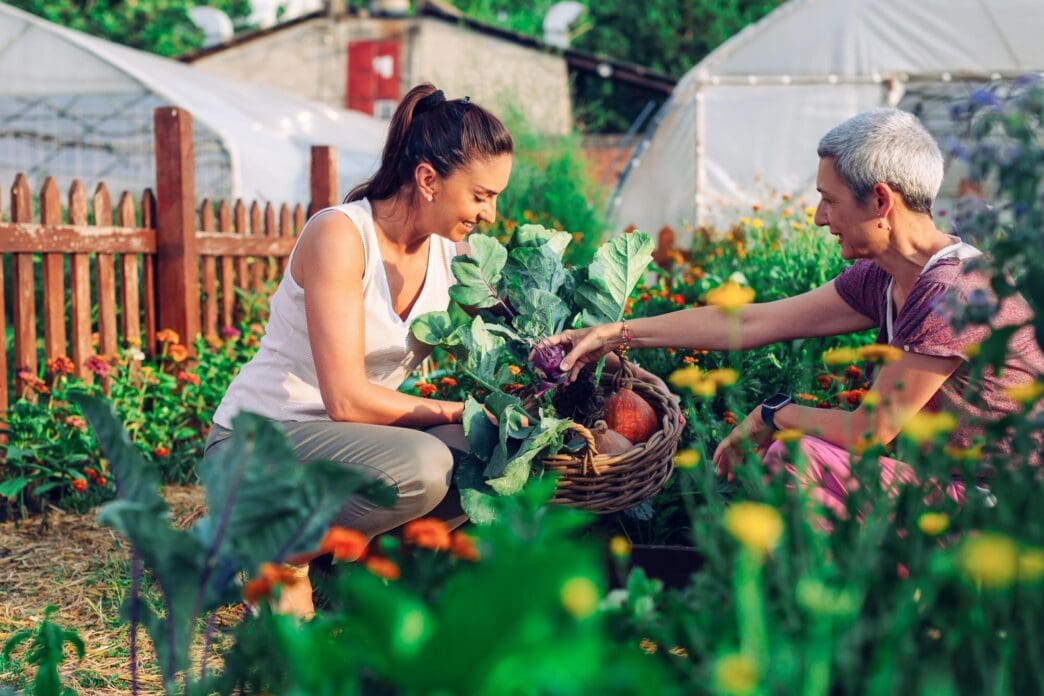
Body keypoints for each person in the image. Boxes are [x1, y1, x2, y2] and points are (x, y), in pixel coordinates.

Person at [542, 108, 1044, 520]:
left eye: (829, 200)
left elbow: (870, 431)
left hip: (1005, 517)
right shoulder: (885, 277)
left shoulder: (954, 290)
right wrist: (616, 333)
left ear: (881, 201)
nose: (820, 217)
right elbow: (754, 321)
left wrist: (771, 415)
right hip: (951, 497)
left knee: (794, 456)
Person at [204, 84, 513, 617]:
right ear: (428, 179)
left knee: (492, 453)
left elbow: (513, 334)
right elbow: (346, 400)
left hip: (344, 447)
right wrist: (458, 411)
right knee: (424, 464)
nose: (490, 214)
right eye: (481, 196)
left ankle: (346, 565)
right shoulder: (342, 237)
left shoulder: (453, 256)